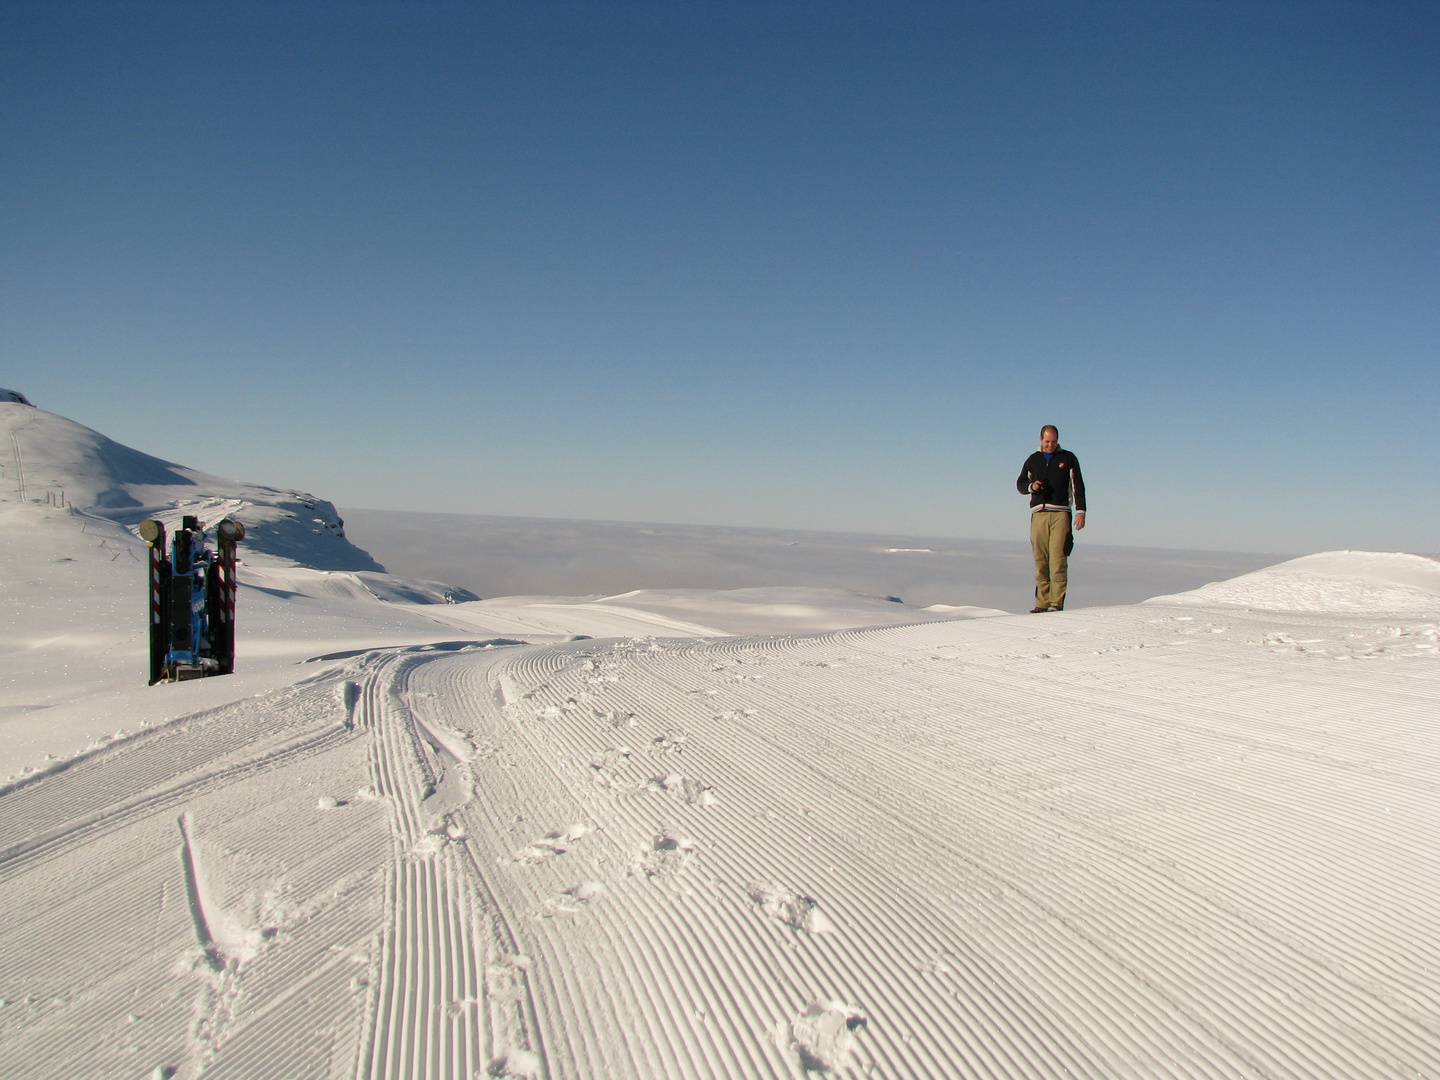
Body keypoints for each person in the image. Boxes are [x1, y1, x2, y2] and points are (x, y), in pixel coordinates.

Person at [1016, 425, 1085, 612]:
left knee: (1058, 558)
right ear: (1040, 439)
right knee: (1040, 559)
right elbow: (1020, 484)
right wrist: (1033, 486)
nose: (1050, 445)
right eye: (1047, 441)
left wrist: (1081, 511)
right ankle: (1041, 603)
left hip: (1061, 513)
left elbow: (1078, 484)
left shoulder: (1068, 458)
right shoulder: (1033, 460)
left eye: (1053, 441)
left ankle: (1056, 603)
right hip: (1038, 513)